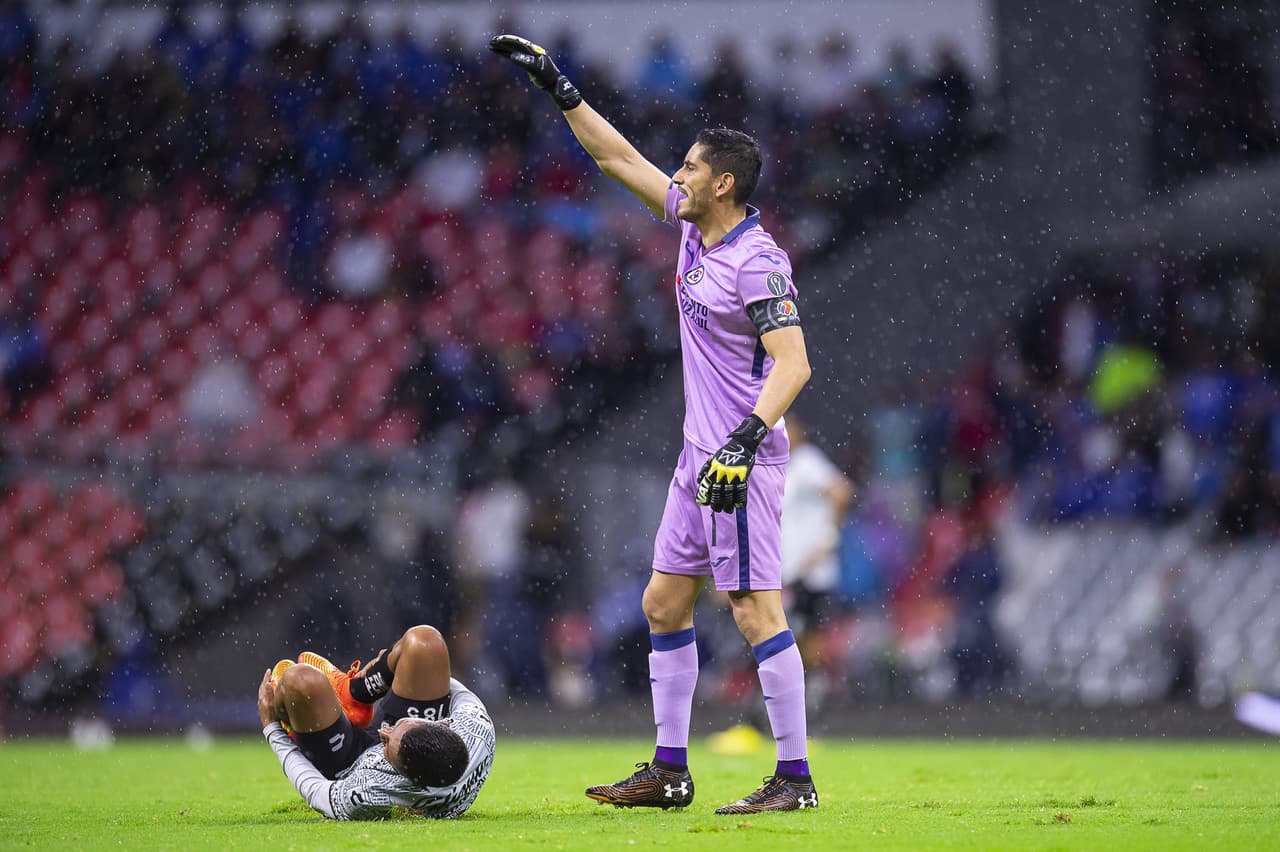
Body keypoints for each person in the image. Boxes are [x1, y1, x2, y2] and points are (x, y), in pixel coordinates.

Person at [491, 35, 816, 814]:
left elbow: (795, 363)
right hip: (697, 458)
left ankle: (796, 779)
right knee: (663, 606)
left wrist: (743, 441)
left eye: (693, 167)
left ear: (724, 182)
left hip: (739, 462)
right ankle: (671, 772)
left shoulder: (758, 261)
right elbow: (618, 159)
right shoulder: (694, 227)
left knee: (754, 611)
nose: (679, 175)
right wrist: (561, 90)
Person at [257, 624, 495, 820]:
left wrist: (271, 728)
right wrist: (394, 669)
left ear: (409, 779)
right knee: (425, 643)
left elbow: (315, 790)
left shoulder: (369, 792)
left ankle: (294, 718)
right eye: (398, 727)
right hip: (412, 743)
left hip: (349, 765)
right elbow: (447, 683)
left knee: (298, 681)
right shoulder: (476, 728)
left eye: (388, 747)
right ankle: (354, 693)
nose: (384, 733)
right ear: (442, 724)